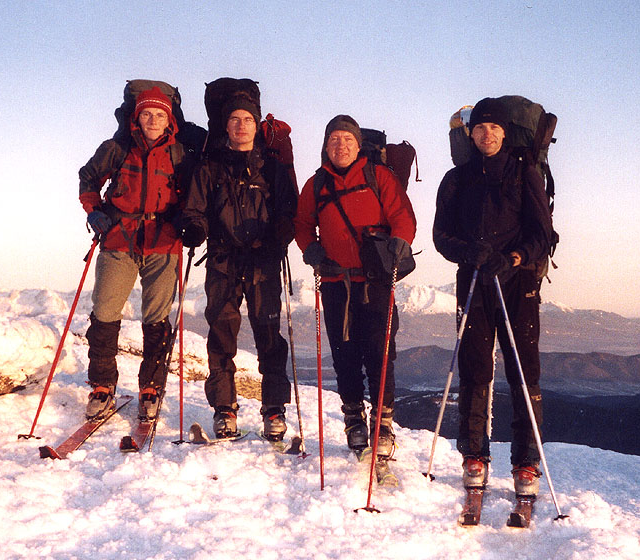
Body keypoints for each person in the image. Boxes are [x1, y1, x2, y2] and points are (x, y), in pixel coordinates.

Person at [433, 97, 554, 496]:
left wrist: (514, 257)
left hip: (518, 283)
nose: (486, 135)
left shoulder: (523, 175)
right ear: (470, 134)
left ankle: (526, 463)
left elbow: (543, 234)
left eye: (494, 129)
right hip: (473, 280)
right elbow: (441, 236)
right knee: (473, 368)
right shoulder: (456, 179)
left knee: (523, 371)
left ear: (505, 133)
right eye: (480, 129)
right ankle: (474, 454)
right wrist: (469, 253)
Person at [177, 90, 297, 440]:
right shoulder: (209, 168)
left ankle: (274, 408)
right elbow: (195, 210)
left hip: (263, 261)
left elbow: (289, 209)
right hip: (222, 260)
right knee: (221, 333)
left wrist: (283, 229)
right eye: (234, 119)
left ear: (257, 125)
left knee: (269, 335)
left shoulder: (273, 168)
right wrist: (195, 228)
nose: (241, 126)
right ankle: (224, 408)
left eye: (247, 119)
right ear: (225, 126)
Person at [294, 115, 416, 458]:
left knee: (380, 351)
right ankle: (353, 418)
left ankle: (383, 423)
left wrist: (400, 242)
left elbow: (402, 216)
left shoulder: (379, 177)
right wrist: (310, 248)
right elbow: (302, 224)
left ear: (359, 144)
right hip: (335, 281)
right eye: (334, 139)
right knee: (345, 355)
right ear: (325, 145)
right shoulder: (315, 185)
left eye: (347, 139)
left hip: (375, 279)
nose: (341, 145)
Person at [78, 85, 186, 421]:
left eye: (159, 115)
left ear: (169, 120)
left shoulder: (180, 154)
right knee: (105, 312)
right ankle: (102, 385)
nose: (153, 120)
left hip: (163, 242)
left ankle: (151, 388)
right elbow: (88, 178)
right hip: (118, 239)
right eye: (147, 114)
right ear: (136, 117)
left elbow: (193, 195)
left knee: (157, 320)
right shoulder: (117, 148)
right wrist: (94, 211)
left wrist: (189, 221)